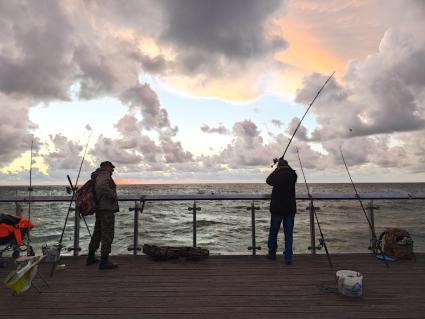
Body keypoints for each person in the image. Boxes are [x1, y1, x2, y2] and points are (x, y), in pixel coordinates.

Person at [86, 161, 119, 269]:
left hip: (100, 208)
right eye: (111, 167)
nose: (112, 170)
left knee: (98, 233)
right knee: (107, 234)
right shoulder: (104, 174)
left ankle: (90, 257)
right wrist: (113, 195)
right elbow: (102, 186)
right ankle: (104, 261)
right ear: (105, 167)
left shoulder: (97, 175)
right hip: (106, 209)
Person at [266, 158, 297, 265]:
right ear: (287, 165)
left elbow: (268, 180)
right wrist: (282, 166)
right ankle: (288, 258)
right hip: (290, 209)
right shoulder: (293, 175)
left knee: (274, 232)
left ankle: (272, 253)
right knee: (288, 234)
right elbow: (291, 171)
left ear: (279, 166)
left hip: (277, 209)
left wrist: (276, 169)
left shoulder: (277, 174)